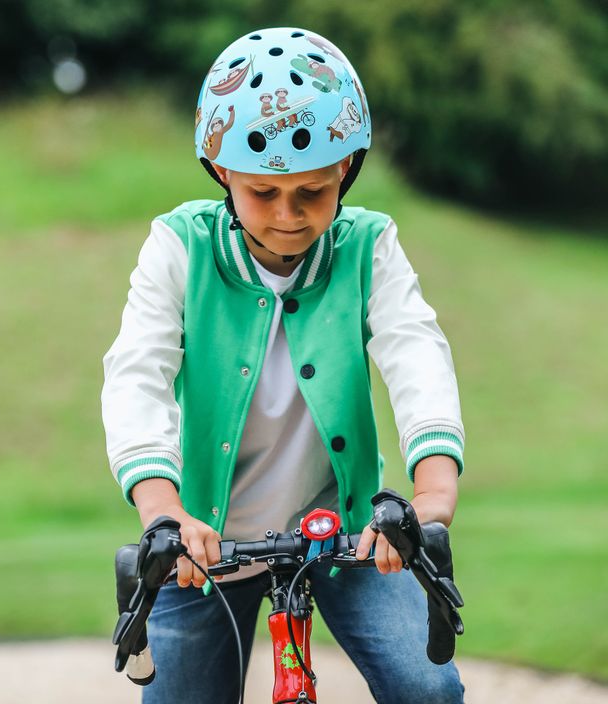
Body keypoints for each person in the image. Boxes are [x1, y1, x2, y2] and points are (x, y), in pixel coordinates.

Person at [101, 26, 466, 703]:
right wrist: (164, 512)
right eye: (263, 193)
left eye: (312, 192)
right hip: (200, 550)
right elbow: (135, 375)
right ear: (222, 174)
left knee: (429, 687)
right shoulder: (178, 247)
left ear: (345, 172)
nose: (289, 215)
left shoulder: (368, 246)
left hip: (346, 534)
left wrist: (431, 500)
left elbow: (416, 352)